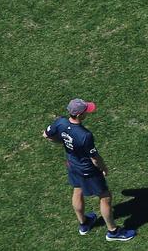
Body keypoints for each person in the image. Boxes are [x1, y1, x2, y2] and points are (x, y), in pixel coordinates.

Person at [43, 98, 136, 241]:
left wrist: (62, 142)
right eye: (86, 111)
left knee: (77, 189)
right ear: (80, 115)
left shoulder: (60, 122)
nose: (88, 112)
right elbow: (94, 158)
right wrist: (104, 168)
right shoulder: (85, 135)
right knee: (105, 196)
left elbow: (47, 135)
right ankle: (113, 232)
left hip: (72, 165)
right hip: (88, 170)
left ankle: (84, 224)